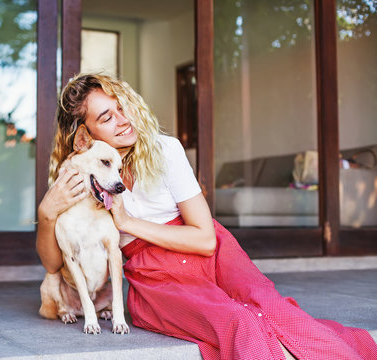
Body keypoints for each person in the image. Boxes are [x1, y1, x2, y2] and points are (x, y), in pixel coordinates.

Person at [36, 73, 377, 360]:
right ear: (84, 135)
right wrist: (47, 213)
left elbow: (205, 238)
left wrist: (127, 223)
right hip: (154, 275)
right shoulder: (81, 174)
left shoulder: (164, 149)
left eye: (122, 107)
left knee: (276, 311)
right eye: (106, 117)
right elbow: (55, 265)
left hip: (212, 255)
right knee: (237, 321)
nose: (123, 120)